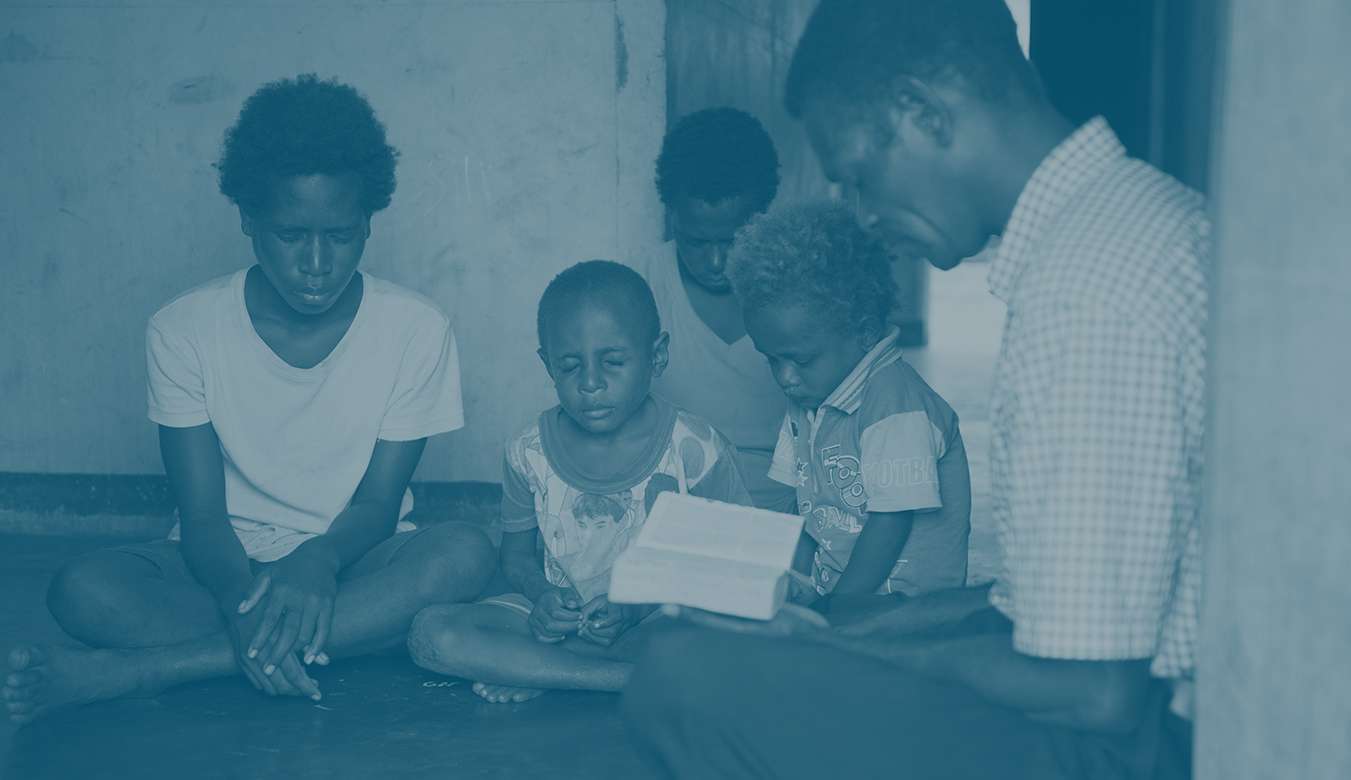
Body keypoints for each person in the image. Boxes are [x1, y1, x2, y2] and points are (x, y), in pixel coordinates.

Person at [621, 1, 1206, 778]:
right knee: (779, 638)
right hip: (1128, 691)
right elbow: (1028, 606)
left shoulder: (1081, 294)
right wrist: (838, 629)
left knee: (679, 678)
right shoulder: (1137, 215)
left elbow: (1092, 691)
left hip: (1136, 746)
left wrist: (838, 651)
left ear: (919, 111)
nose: (864, 215)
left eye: (860, 177)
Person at [3, 75, 496, 726]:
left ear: (368, 223)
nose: (317, 263)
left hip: (350, 558)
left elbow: (377, 505)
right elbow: (202, 516)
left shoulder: (415, 329)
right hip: (221, 565)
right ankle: (342, 638)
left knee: (465, 553)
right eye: (292, 235)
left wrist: (314, 563)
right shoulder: (183, 330)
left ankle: (149, 669)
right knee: (82, 591)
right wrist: (244, 598)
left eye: (341, 235)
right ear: (247, 219)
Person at [406, 260, 753, 704]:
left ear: (657, 354)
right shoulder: (527, 449)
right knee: (431, 633)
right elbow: (515, 558)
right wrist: (542, 597)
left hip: (656, 625)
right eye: (570, 366)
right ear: (547, 364)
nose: (590, 383)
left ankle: (537, 670)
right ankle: (614, 678)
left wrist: (637, 608)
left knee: (729, 636)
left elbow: (735, 567)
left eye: (613, 362)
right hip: (556, 630)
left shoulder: (698, 449)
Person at [728, 199, 970, 608]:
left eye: (801, 360)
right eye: (771, 359)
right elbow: (805, 513)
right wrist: (798, 585)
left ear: (865, 333)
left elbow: (890, 523)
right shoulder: (810, 397)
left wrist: (833, 611)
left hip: (908, 613)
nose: (784, 378)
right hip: (841, 599)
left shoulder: (897, 406)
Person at [630, 108, 797, 513]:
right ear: (671, 214)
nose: (717, 262)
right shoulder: (639, 289)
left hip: (789, 519)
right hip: (672, 520)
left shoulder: (804, 286)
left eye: (734, 239)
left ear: (764, 212)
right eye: (695, 240)